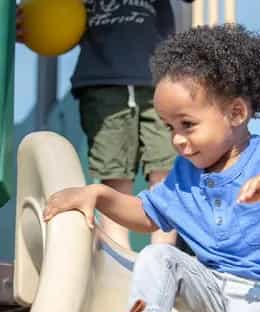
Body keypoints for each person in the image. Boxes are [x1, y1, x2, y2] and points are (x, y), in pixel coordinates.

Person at [43, 24, 260, 312]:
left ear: (236, 113)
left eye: (188, 124)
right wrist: (100, 195)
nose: (177, 139)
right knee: (158, 256)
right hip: (213, 291)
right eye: (170, 127)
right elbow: (147, 216)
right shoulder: (185, 173)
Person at [17, 0, 194, 250]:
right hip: (102, 82)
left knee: (165, 168)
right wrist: (31, 24)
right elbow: (53, 18)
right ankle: (118, 253)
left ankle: (162, 252)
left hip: (159, 80)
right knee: (115, 174)